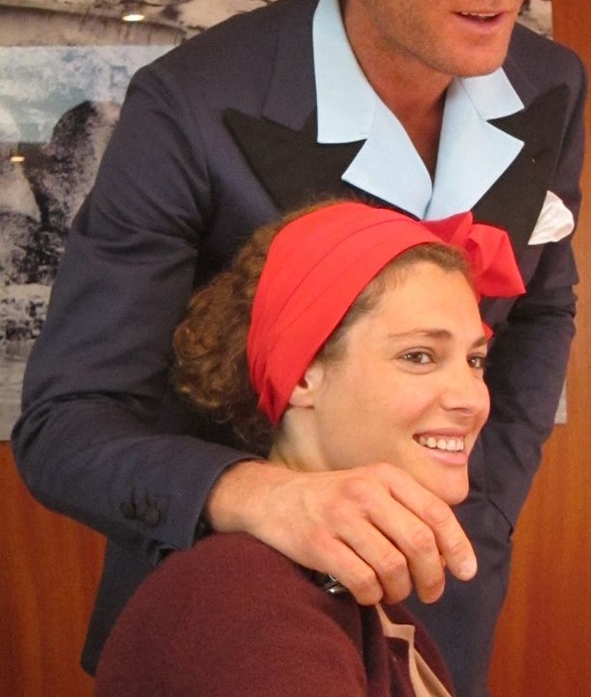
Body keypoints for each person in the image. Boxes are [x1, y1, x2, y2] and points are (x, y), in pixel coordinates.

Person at [12, 0, 587, 696]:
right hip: (233, 615)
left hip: (442, 610)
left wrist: (477, 509)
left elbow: (543, 308)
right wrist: (267, 498)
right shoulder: (190, 105)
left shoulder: (552, 83)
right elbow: (64, 425)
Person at [93, 200, 525, 696]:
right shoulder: (244, 603)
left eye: (475, 361)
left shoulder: (346, 594)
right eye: (419, 356)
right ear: (300, 375)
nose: (472, 399)